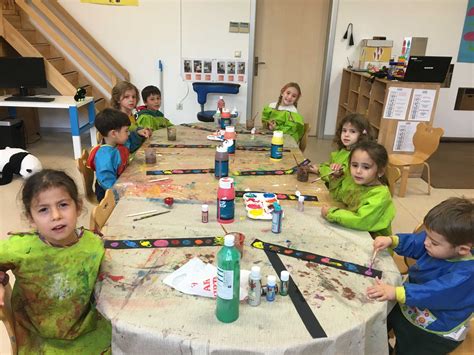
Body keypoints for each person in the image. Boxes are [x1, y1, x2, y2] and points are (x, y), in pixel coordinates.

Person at [0, 169, 111, 354]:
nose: (56, 216)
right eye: (43, 209)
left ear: (78, 206)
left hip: (87, 332)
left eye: (63, 205)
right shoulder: (21, 248)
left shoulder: (94, 244)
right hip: (38, 338)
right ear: (30, 217)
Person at [367, 197, 474, 355]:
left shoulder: (467, 275)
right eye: (427, 236)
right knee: (378, 327)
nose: (426, 243)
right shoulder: (439, 243)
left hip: (432, 332)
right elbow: (417, 241)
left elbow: (436, 292)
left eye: (434, 242)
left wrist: (396, 292)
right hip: (410, 305)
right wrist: (393, 241)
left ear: (463, 250)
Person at [321, 141, 395, 237]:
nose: (358, 171)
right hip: (353, 230)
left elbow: (361, 220)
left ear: (380, 171)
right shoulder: (355, 182)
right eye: (354, 165)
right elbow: (337, 197)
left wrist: (332, 213)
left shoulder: (380, 196)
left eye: (366, 167)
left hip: (374, 241)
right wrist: (337, 178)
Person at [88, 108, 149, 202]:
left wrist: (138, 134)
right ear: (113, 133)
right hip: (107, 193)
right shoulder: (104, 157)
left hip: (121, 181)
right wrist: (123, 193)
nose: (129, 133)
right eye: (126, 131)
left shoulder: (119, 143)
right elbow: (108, 183)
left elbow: (131, 145)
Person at [311, 113, 372, 183]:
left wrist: (319, 170)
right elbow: (330, 165)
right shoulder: (343, 151)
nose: (346, 135)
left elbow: (338, 179)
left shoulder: (358, 157)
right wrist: (320, 166)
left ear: (362, 135)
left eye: (352, 131)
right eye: (344, 130)